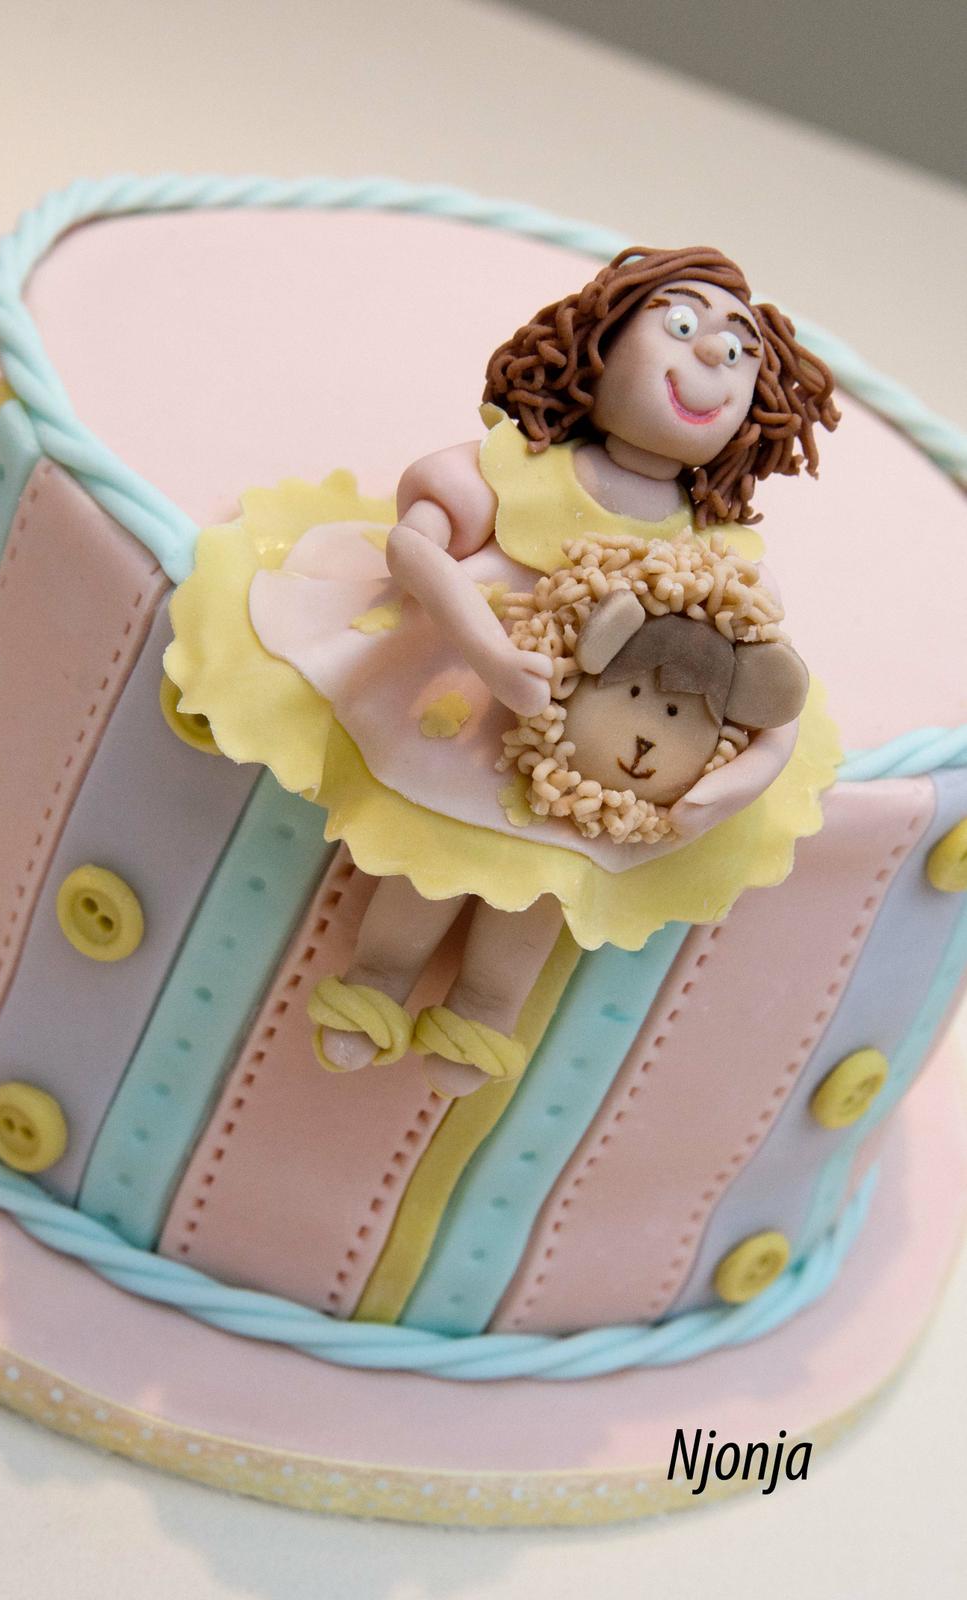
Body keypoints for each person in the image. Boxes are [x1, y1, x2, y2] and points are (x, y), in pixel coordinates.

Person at [167, 245, 841, 1097]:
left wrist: (737, 783)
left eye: (738, 349)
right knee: (431, 854)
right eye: (679, 324)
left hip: (596, 771)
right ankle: (376, 979)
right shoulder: (518, 471)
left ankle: (484, 1010)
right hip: (457, 708)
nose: (711, 353)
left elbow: (768, 695)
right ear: (597, 343)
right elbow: (413, 546)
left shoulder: (718, 555)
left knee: (539, 895)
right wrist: (487, 650)